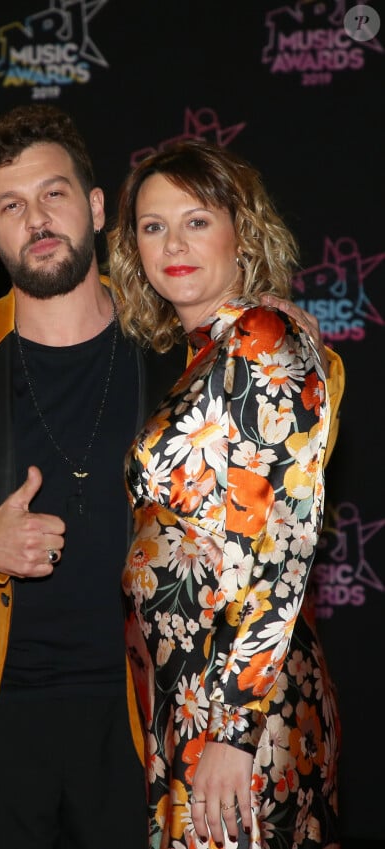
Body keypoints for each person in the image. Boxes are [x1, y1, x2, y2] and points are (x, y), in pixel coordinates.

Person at [0, 105, 343, 849]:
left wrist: (283, 326)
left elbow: (290, 424)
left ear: (93, 208)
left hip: (142, 717)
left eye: (53, 194)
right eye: (10, 206)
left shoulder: (174, 330)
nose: (36, 219)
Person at [107, 138, 342, 849]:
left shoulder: (261, 337)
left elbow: (286, 543)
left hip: (241, 707)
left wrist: (233, 732)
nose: (173, 242)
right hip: (190, 697)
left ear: (243, 232)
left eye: (197, 220)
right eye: (152, 225)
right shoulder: (209, 350)